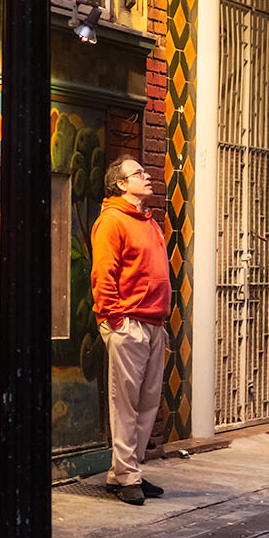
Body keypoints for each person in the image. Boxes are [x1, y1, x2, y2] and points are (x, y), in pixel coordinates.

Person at [91, 157, 170, 505]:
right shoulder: (112, 221)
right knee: (125, 404)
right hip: (129, 323)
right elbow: (103, 273)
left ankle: (126, 470)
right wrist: (114, 318)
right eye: (138, 174)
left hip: (153, 324)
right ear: (121, 184)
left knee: (147, 403)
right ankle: (127, 476)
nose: (147, 176)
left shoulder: (149, 222)